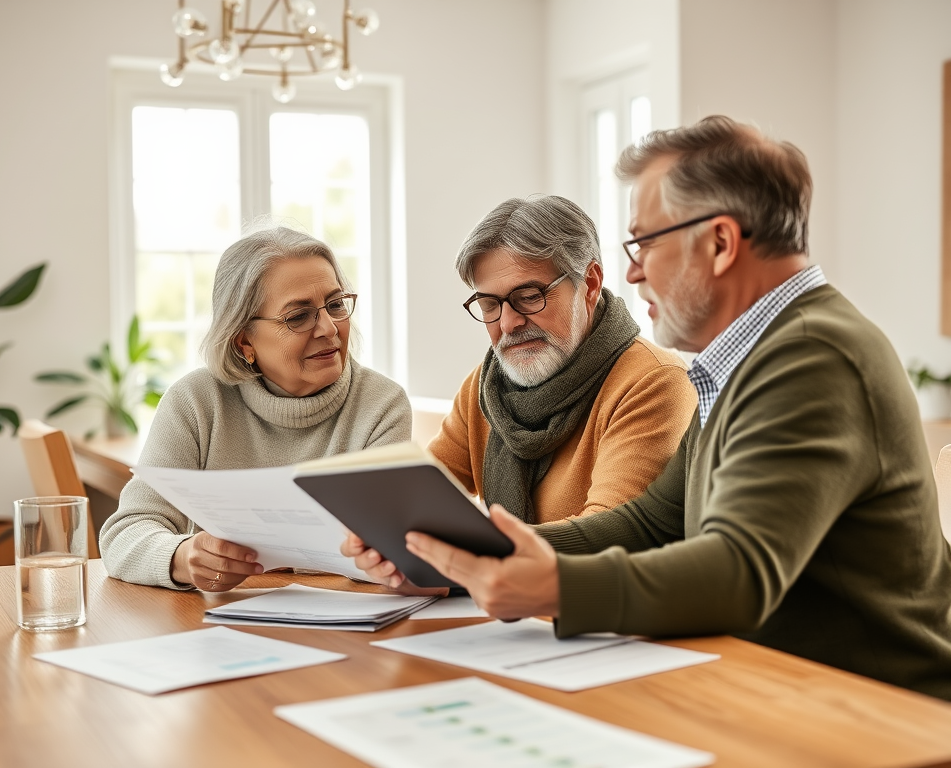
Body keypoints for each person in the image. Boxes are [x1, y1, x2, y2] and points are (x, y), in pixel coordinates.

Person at [346, 116, 951, 700]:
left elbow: (738, 572)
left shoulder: (814, 357)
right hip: (778, 688)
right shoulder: (750, 357)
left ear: (718, 243)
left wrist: (550, 585)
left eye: (643, 243)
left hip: (875, 713)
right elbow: (652, 525)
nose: (631, 273)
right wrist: (474, 559)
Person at [101, 226, 411, 592]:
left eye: (336, 304)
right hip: (219, 624)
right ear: (244, 341)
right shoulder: (197, 402)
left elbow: (389, 550)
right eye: (298, 316)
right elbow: (123, 534)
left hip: (350, 622)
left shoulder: (382, 406)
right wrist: (185, 558)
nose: (329, 328)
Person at [428, 195, 697, 524]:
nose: (508, 323)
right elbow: (416, 498)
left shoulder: (654, 383)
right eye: (489, 305)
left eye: (528, 297)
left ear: (590, 285)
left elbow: (606, 537)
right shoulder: (485, 387)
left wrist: (472, 552)